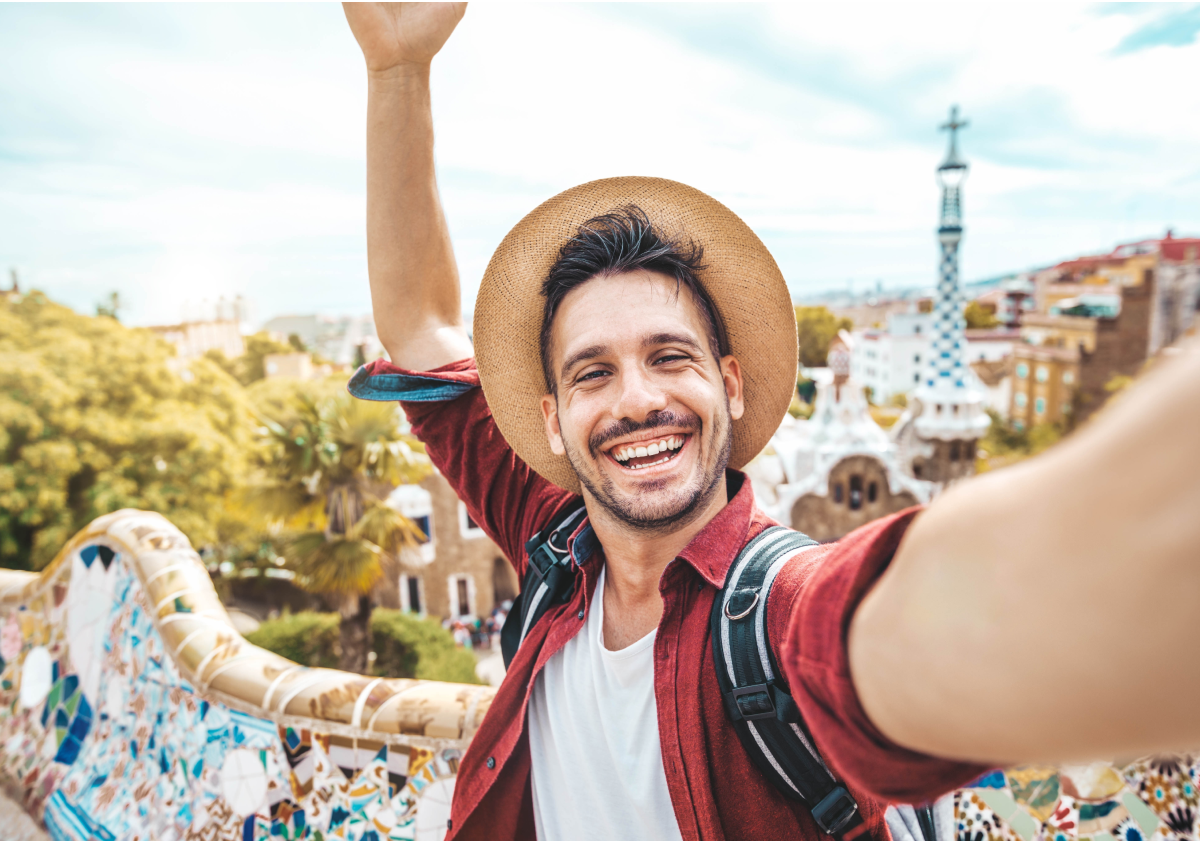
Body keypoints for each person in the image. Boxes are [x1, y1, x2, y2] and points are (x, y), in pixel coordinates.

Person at [340, 4, 1200, 840]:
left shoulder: (780, 621)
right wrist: (397, 70)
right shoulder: (556, 541)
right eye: (593, 372)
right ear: (554, 421)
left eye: (669, 357)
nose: (636, 398)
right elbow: (421, 326)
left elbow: (948, 615)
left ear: (733, 385)